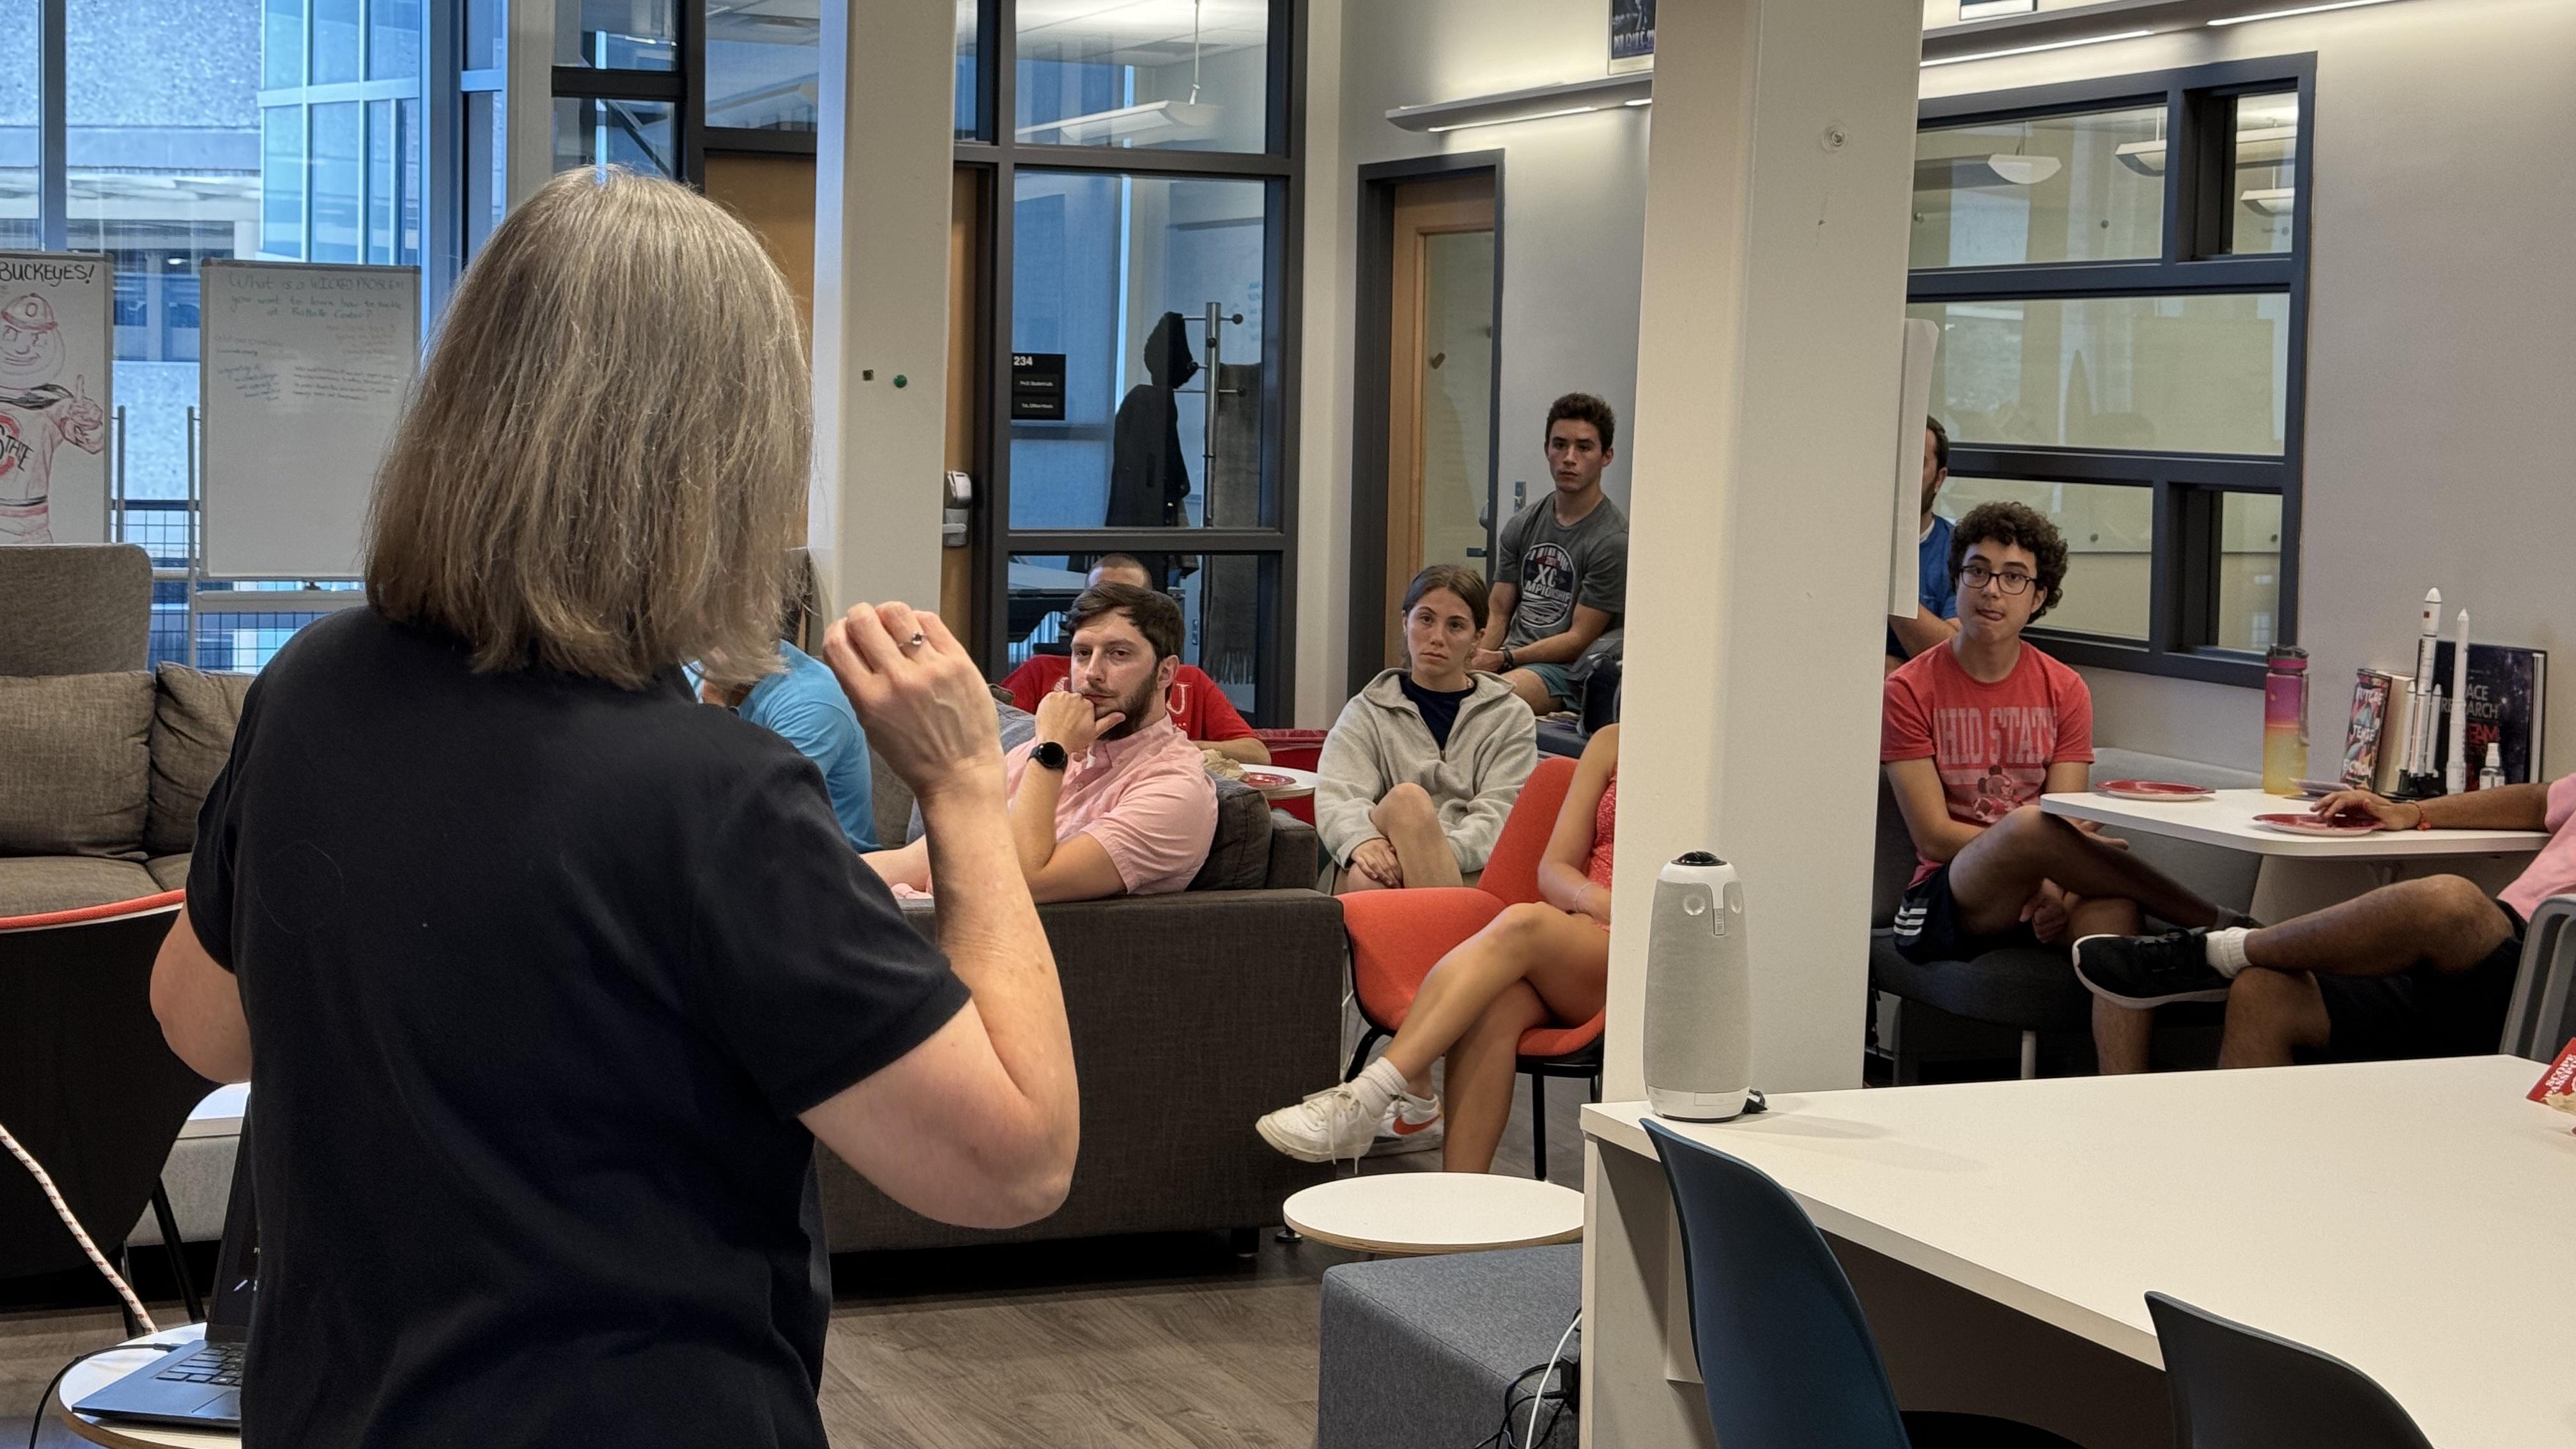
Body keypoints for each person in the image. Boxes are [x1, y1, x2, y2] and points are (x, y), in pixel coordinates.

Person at [146, 167, 1079, 1449]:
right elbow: (1015, 1156)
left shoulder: (313, 682)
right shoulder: (717, 795)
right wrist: (970, 787)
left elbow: (202, 1021)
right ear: (724, 465)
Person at [1882, 501, 2237, 1073]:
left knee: (2114, 910)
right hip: (1947, 897)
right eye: (1977, 570)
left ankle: (2123, 1096)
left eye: (2013, 577)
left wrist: (2056, 889)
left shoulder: (2064, 688)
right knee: (2027, 825)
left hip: (2046, 879)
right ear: (1957, 579)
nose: (1991, 590)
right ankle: (2212, 923)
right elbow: (1933, 835)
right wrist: (2041, 860)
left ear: (2038, 596)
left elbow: (2065, 820)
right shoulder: (1907, 688)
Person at [1258, 725, 1619, 1171]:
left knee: (1526, 919)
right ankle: (1457, 1210)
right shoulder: (1611, 742)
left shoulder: (1710, 764)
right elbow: (1553, 868)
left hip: (1636, 952)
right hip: (1571, 936)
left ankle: (1369, 1094)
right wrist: (1594, 898)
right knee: (1493, 1006)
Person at [2074, 777, 2576, 1067]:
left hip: (2556, 977)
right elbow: (2539, 802)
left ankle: (2213, 953)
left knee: (2448, 900)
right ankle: (2233, 1200)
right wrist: (2413, 811)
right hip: (2494, 953)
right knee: (2265, 991)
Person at [869, 581, 1218, 904]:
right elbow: (924, 857)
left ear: (1166, 672)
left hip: (994, 955)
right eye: (1082, 653)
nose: (1092, 673)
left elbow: (1018, 883)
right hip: (908, 922)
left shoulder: (1175, 791)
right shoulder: (1044, 753)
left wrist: (1053, 748)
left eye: (1119, 654)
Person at [1318, 564, 1538, 894]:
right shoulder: (1366, 711)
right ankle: (1453, 944)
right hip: (1386, 859)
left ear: (1478, 639)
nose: (1437, 637)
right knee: (1403, 807)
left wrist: (1424, 850)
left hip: (1474, 867)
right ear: (1405, 622)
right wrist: (1362, 840)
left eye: (1455, 626)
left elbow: (1502, 815)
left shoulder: (1511, 716)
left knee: (1372, 878)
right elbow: (1338, 797)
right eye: (1426, 619)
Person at [998, 553, 1270, 765]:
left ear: (1165, 672)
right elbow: (992, 740)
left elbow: (1256, 753)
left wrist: (1157, 746)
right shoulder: (1040, 670)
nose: (1093, 672)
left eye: (1127, 601)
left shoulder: (1190, 680)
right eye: (1100, 597)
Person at [1473, 393, 1628, 716]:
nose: (1569, 458)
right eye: (1560, 445)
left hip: (1565, 672)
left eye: (1584, 447)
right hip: (1511, 657)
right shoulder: (1523, 524)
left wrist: (1504, 659)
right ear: (1547, 450)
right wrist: (1478, 658)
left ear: (1606, 456)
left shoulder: (1612, 541)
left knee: (1487, 707)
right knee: (1428, 691)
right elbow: (1499, 609)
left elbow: (1579, 638)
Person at [700, 639, 879, 849]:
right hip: (763, 852)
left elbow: (752, 817)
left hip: (831, 862)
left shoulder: (810, 702)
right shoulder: (698, 666)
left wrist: (713, 708)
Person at [1886, 416, 1960, 672]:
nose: (1901, 476)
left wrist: (1889, 586)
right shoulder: (1840, 540)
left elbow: (1953, 656)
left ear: (1939, 480)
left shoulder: (1960, 550)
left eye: (1916, 465)